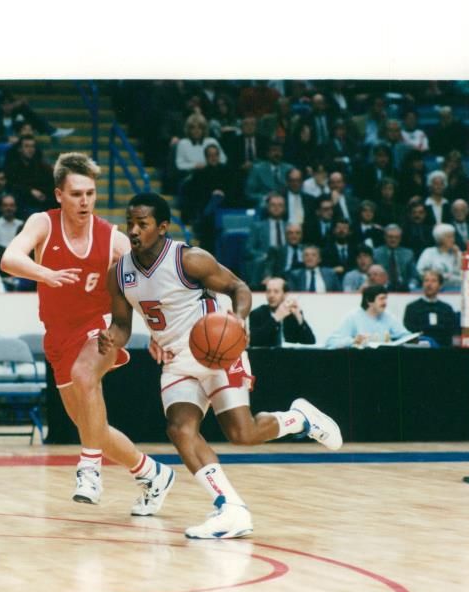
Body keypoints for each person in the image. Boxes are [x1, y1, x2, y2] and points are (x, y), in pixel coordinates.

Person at [100, 192, 341, 540]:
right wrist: (110, 337)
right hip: (175, 360)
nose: (134, 230)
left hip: (217, 351)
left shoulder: (189, 259)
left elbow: (238, 287)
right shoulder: (119, 273)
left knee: (241, 434)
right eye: (130, 223)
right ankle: (230, 507)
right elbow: (122, 325)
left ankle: (299, 419)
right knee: (179, 429)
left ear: (162, 227)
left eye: (143, 223)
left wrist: (240, 318)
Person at [0, 152, 173, 510]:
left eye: (90, 193)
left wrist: (158, 332)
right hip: (58, 336)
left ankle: (90, 470)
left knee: (84, 374)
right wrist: (44, 273)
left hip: (100, 328)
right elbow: (9, 258)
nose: (85, 201)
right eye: (77, 193)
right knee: (91, 426)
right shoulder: (42, 223)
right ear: (59, 195)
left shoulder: (113, 238)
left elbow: (144, 286)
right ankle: (153, 473)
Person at [325, 284, 409, 348]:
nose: (385, 303)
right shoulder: (353, 317)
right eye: (381, 299)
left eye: (386, 299)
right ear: (369, 301)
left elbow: (405, 336)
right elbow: (331, 342)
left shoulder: (388, 316)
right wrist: (353, 341)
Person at [249, 276, 317, 348]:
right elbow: (254, 342)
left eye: (276, 291)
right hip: (267, 357)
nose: (271, 295)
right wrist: (275, 319)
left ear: (285, 294)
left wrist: (300, 318)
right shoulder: (257, 313)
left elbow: (310, 342)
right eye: (268, 291)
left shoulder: (292, 314)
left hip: (290, 357)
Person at [403, 270, 459, 347]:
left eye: (433, 281)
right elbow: (409, 334)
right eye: (426, 281)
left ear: (440, 285)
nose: (429, 284)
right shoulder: (412, 308)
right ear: (422, 284)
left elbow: (451, 333)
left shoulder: (447, 309)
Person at [373, 224, 419, 291]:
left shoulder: (408, 254)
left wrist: (410, 286)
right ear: (385, 237)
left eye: (396, 237)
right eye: (390, 237)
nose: (393, 240)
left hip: (404, 289)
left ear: (400, 239)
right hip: (382, 288)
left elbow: (414, 276)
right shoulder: (376, 253)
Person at [416, 223, 462, 289]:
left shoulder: (457, 253)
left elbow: (461, 274)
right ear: (440, 239)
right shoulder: (429, 252)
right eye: (449, 237)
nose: (453, 240)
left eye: (453, 236)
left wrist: (457, 256)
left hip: (455, 288)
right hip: (433, 288)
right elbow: (420, 271)